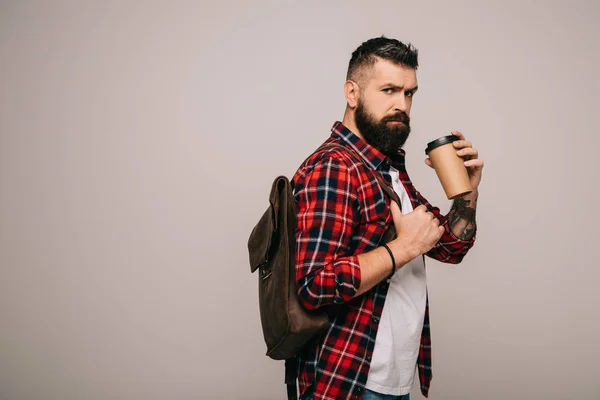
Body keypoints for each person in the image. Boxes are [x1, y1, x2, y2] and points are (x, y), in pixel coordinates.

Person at [291, 36, 484, 400]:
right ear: (352, 92)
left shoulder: (386, 166)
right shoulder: (335, 168)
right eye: (389, 90)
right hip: (349, 381)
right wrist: (402, 249)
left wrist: (467, 193)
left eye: (409, 93)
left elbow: (450, 247)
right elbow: (314, 284)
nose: (402, 104)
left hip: (391, 378)